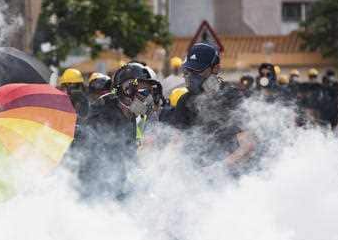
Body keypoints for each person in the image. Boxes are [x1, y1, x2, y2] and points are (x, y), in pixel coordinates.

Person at [74, 62, 162, 199]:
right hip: (96, 194)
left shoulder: (129, 117)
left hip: (113, 189)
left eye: (150, 92)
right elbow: (104, 163)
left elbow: (128, 158)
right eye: (145, 92)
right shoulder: (103, 118)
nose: (149, 98)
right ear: (127, 91)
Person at [164, 43, 255, 174]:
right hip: (196, 175)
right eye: (188, 71)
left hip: (231, 178)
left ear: (216, 69)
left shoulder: (233, 97)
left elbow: (248, 146)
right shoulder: (185, 100)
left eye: (197, 71)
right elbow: (176, 141)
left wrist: (219, 168)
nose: (190, 76)